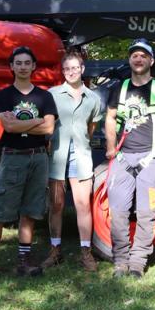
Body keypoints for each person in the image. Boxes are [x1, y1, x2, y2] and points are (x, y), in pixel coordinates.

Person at [0, 46, 57, 286]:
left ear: (33, 67)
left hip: (39, 157)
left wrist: (25, 123)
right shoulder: (5, 95)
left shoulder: (44, 96)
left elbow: (49, 128)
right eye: (18, 63)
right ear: (12, 67)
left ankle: (24, 261)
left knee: (30, 212)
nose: (22, 66)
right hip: (12, 157)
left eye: (26, 63)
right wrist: (37, 121)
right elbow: (8, 127)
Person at [105, 38, 155, 278]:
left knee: (147, 213)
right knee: (118, 212)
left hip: (149, 160)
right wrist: (110, 148)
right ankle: (120, 262)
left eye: (143, 55)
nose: (138, 59)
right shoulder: (119, 88)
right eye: (134, 55)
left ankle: (137, 263)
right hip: (122, 159)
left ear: (151, 60)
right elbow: (109, 118)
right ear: (130, 60)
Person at [42, 52, 102, 272]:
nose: (71, 72)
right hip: (57, 156)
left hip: (81, 157)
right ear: (63, 71)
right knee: (56, 205)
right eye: (67, 68)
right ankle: (55, 250)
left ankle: (85, 253)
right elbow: (46, 124)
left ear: (82, 69)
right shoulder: (52, 95)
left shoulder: (94, 99)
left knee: (83, 205)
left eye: (75, 68)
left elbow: (90, 129)